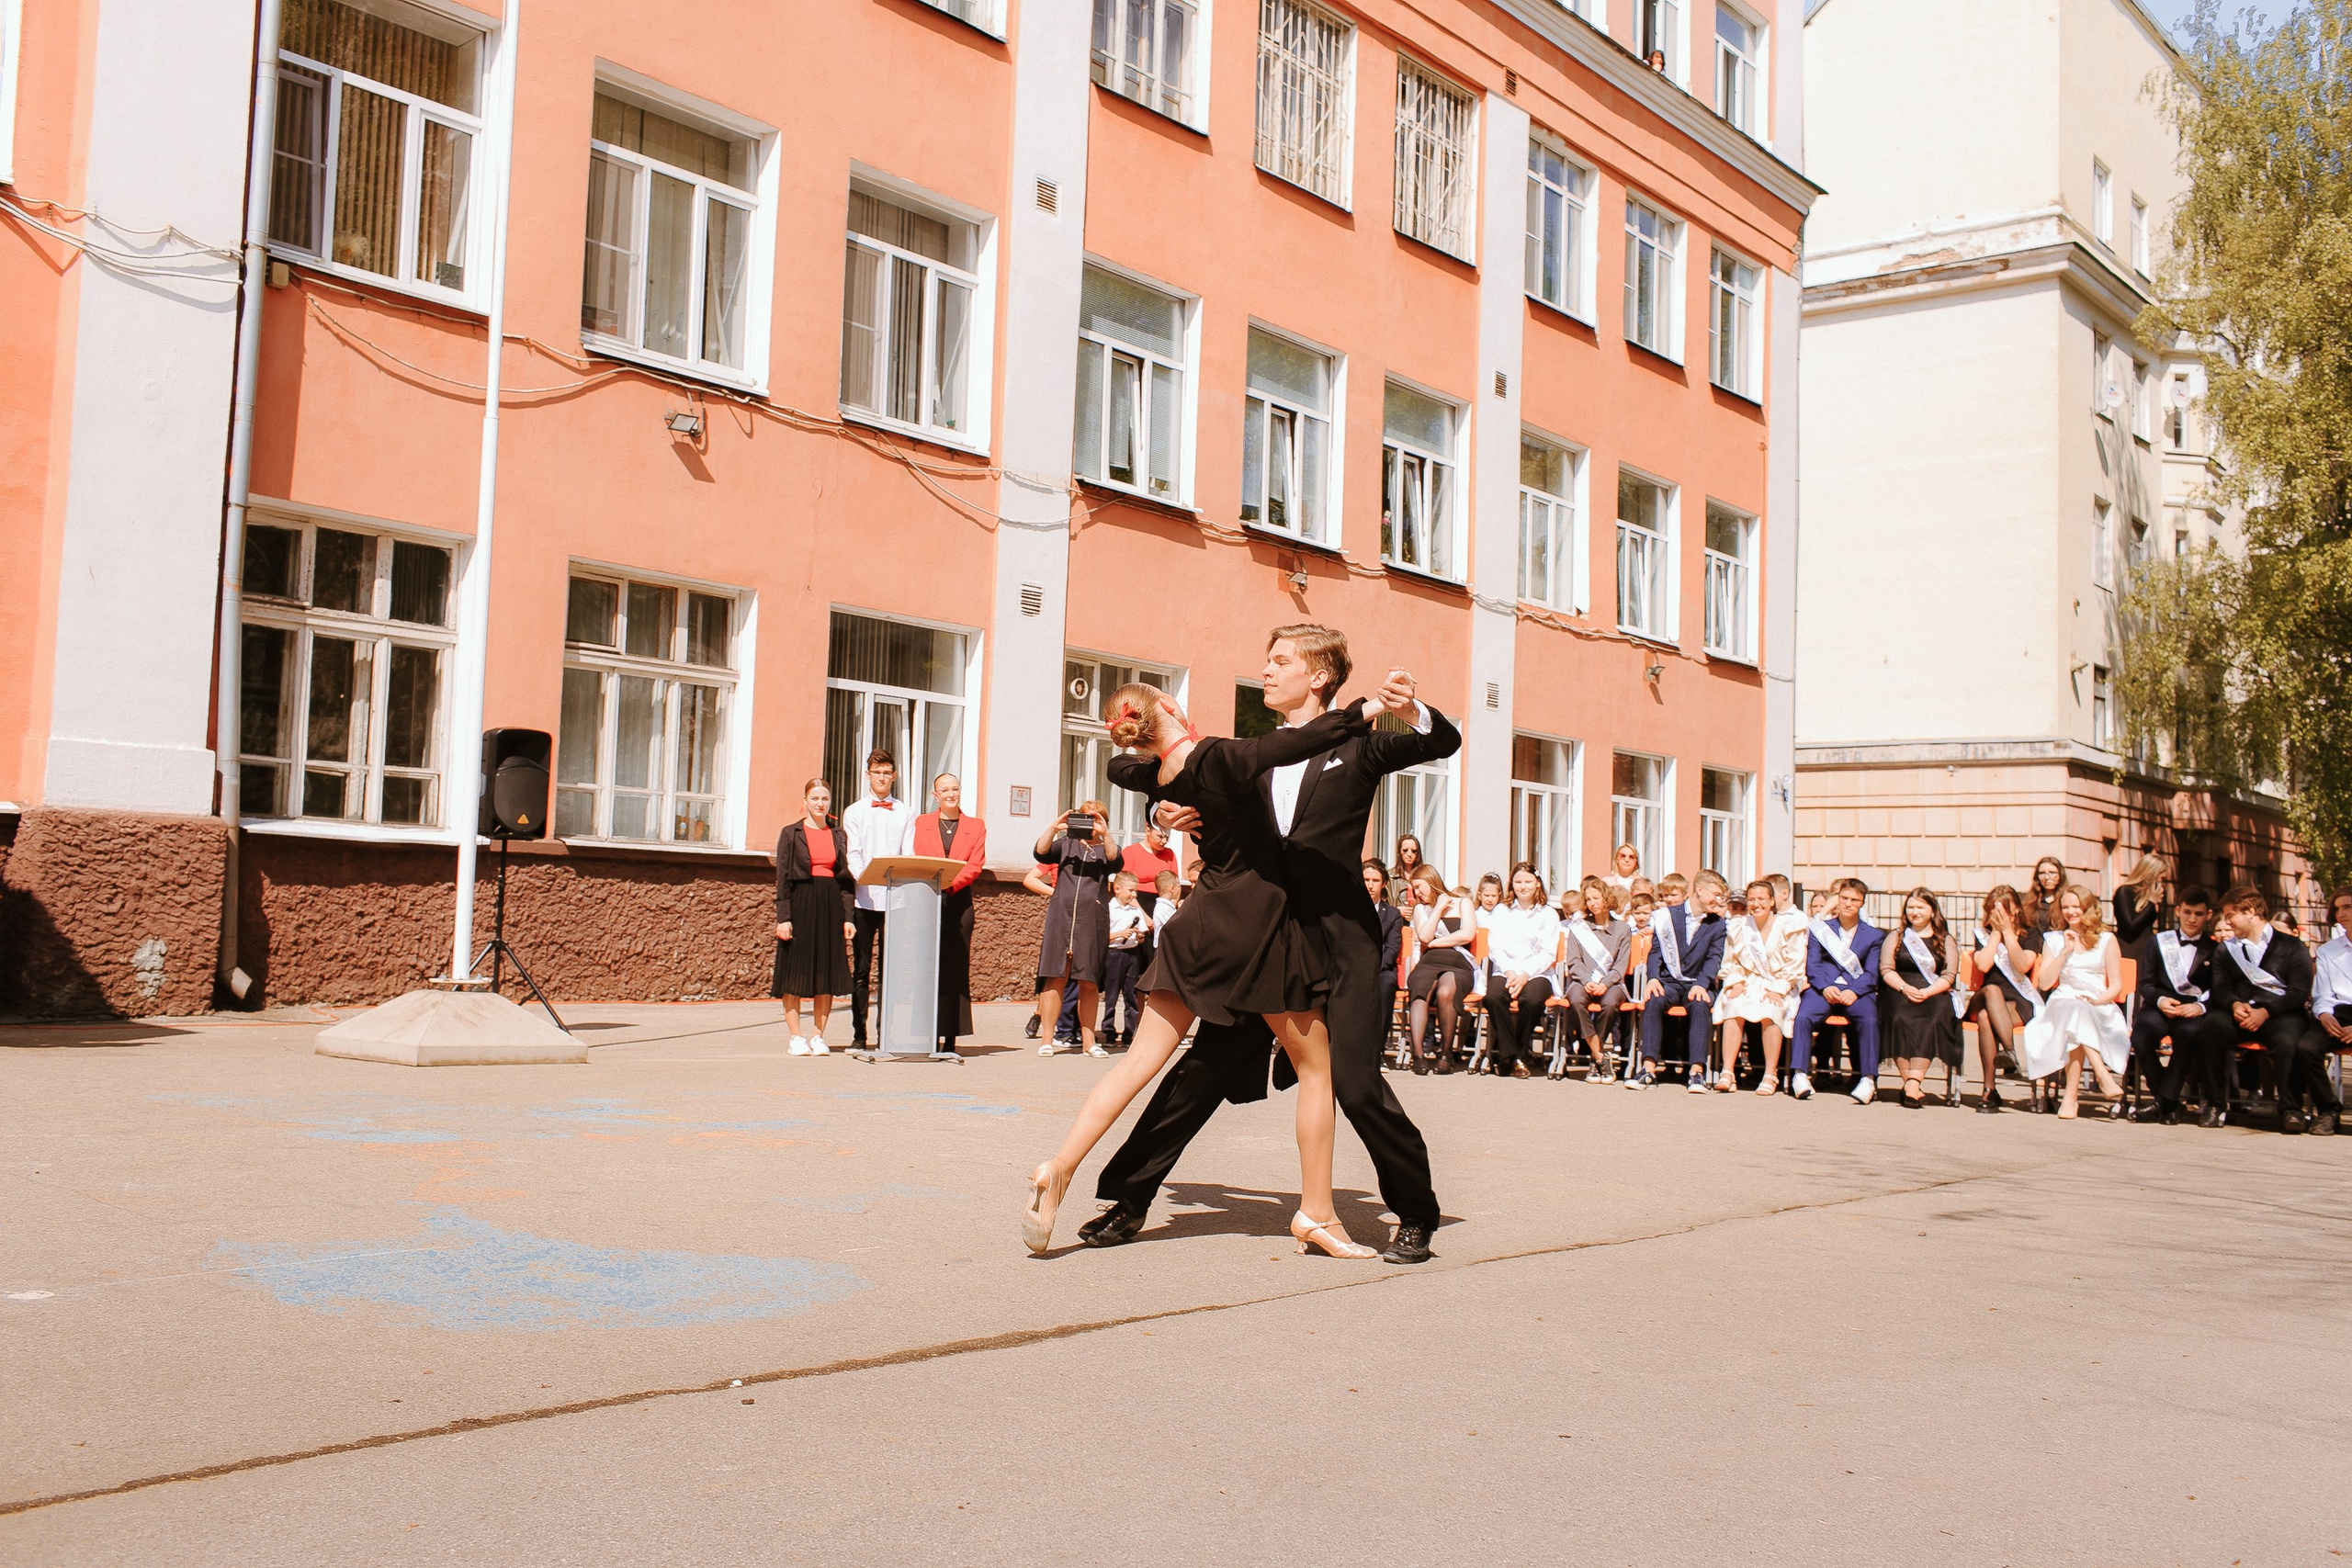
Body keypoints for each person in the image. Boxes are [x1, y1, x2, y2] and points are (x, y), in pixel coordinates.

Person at [1082, 629, 1458, 1265]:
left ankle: (1416, 1209)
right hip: (1265, 942)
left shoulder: (1357, 748)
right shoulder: (1250, 748)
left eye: (1281, 660)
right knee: (1203, 1069)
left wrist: (1410, 708)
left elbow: (1439, 740)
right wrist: (1162, 811)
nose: (1266, 669)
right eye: (1268, 658)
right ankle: (1129, 1197)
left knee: (1355, 1083)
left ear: (1318, 677)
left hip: (1340, 941)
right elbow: (1132, 764)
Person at [1021, 682, 1393, 1255]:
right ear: (1168, 708)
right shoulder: (1216, 754)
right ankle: (1319, 1215)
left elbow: (1123, 767)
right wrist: (1367, 710)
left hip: (1196, 926)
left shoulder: (1164, 773)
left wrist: (1165, 801)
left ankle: (1060, 1166)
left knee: (1136, 1064)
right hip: (1255, 926)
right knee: (1317, 1070)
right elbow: (1300, 744)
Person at [2212, 884, 2339, 1135]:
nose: (2227, 923)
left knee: (2288, 1040)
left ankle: (2290, 1109)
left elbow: (2299, 991)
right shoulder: (2226, 949)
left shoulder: (2292, 946)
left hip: (2281, 1013)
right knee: (2210, 1028)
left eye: (2230, 916)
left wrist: (2267, 1011)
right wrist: (2234, 1004)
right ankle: (2215, 1104)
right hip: (2241, 1013)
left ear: (2249, 911)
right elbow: (2220, 987)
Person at [2018, 884, 2130, 1119]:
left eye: (2076, 906)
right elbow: (2045, 983)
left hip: (2098, 1003)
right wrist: (2065, 951)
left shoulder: (2107, 939)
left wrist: (2099, 1000)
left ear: (2088, 908)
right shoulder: (2054, 939)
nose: (2070, 912)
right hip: (2063, 1003)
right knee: (2073, 1008)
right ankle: (2101, 1074)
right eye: (2066, 907)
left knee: (2079, 1013)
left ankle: (2071, 1097)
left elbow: (2117, 985)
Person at [2131, 885, 2228, 1126]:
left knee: (2190, 1036)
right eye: (2187, 912)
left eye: (2198, 914)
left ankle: (2163, 1105)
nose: (2192, 919)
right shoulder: (2159, 942)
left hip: (2193, 1011)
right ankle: (2167, 1101)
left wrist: (2201, 1008)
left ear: (2208, 915)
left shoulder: (2215, 949)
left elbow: (2219, 989)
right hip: (2160, 1007)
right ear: (2177, 912)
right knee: (2141, 1037)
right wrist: (2161, 1001)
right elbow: (2146, 983)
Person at [772, 779, 854, 1057]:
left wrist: (848, 917)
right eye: (815, 798)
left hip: (830, 904)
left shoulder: (838, 834)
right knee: (795, 971)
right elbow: (782, 877)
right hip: (800, 903)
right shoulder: (790, 833)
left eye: (825, 799)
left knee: (825, 972)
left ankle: (818, 1036)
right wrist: (784, 917)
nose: (820, 804)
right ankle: (795, 1037)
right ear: (805, 801)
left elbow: (846, 879)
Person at [840, 750, 912, 1050]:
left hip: (895, 901)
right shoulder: (854, 811)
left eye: (887, 772)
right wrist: (867, 877)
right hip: (863, 899)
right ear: (868, 775)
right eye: (877, 772)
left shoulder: (907, 812)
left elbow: (907, 853)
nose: (882, 777)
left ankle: (887, 1035)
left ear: (894, 776)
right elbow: (853, 854)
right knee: (861, 970)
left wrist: (896, 880)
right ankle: (860, 1035)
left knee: (890, 972)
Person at [1032, 799, 1115, 1057]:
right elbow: (1040, 852)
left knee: (1088, 980)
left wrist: (1105, 834)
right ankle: (1047, 1039)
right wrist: (1055, 827)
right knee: (1055, 976)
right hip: (1061, 916)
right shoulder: (1065, 845)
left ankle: (1089, 1042)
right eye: (1085, 817)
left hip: (1092, 918)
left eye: (1095, 818)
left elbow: (1115, 860)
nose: (1089, 822)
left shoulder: (1105, 850)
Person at [910, 772, 985, 1056]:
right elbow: (919, 854)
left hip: (958, 900)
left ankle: (951, 1037)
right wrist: (935, 884)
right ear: (935, 795)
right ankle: (926, 1033)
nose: (951, 794)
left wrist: (950, 883)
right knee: (928, 967)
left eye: (955, 788)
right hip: (928, 899)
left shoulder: (975, 826)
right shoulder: (922, 823)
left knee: (955, 970)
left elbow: (975, 864)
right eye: (945, 790)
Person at [1629, 871, 1726, 1091]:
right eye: (1717, 894)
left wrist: (1703, 983)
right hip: (1670, 981)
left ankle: (1697, 1072)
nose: (1719, 901)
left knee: (1701, 1004)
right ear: (1700, 890)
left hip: (1697, 982)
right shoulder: (1667, 916)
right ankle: (1648, 1069)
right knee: (1653, 1000)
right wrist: (1653, 979)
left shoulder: (1717, 924)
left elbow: (1714, 958)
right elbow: (1655, 952)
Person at [1792, 877, 1885, 1102]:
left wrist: (1854, 990)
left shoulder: (1874, 935)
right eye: (1844, 898)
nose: (1848, 903)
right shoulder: (1821, 930)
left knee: (1870, 1020)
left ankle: (1868, 1079)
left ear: (1862, 903)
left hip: (1856, 992)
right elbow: (1812, 965)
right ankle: (1800, 1075)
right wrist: (1825, 988)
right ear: (1838, 899)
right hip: (1825, 989)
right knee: (1803, 1016)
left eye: (1855, 899)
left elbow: (1872, 973)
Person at [1715, 876, 1804, 1096]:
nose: (1757, 904)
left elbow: (1795, 963)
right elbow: (1730, 961)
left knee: (1770, 1009)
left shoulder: (1788, 926)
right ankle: (1728, 1072)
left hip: (1777, 982)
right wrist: (1735, 982)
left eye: (1762, 899)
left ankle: (1770, 1074)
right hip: (1747, 980)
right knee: (1733, 1005)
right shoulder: (1740, 926)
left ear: (1772, 901)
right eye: (1752, 899)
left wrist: (1779, 988)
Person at [1881, 887, 1962, 1109]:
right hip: (1900, 990)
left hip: (1934, 992)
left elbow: (1949, 974)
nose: (1914, 912)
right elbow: (1887, 969)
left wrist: (1928, 991)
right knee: (1898, 1018)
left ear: (1932, 910)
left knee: (1931, 1020)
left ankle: (1911, 1083)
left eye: (1920, 907)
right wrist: (1905, 988)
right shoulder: (1896, 936)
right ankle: (1913, 1086)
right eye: (1911, 907)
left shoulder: (1945, 939)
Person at [1966, 886, 2041, 1113]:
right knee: (1991, 992)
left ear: (2015, 910)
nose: (1997, 917)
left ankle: (1989, 1090)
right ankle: (2010, 1052)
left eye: (2002, 911)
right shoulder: (1983, 935)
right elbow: (1983, 964)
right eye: (1992, 911)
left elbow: (2023, 965)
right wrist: (1996, 933)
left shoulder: (2031, 934)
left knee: (1987, 1018)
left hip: (2017, 1000)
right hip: (1985, 994)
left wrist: (2008, 933)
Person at [1482, 863, 1560, 1079]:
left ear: (1537, 884)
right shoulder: (1501, 910)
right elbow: (1495, 946)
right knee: (1493, 997)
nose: (1523, 886)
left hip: (1537, 973)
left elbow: (1548, 953)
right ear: (1511, 885)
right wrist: (1509, 972)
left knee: (1532, 1000)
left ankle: (1513, 1053)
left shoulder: (1548, 914)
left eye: (1527, 881)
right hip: (1506, 970)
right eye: (1518, 882)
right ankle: (1514, 1056)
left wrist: (1525, 974)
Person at [1406, 865, 1478, 1073]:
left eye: (1419, 887)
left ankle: (1446, 1055)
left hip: (1458, 961)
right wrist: (1437, 908)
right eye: (1414, 889)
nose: (1417, 893)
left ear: (1431, 881)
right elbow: (1425, 936)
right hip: (1429, 961)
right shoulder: (1421, 909)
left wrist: (1437, 943)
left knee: (1447, 992)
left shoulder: (1463, 902)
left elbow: (1467, 935)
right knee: (1420, 991)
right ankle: (1418, 1056)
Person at [1561, 877, 1634, 1083]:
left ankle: (1595, 1058)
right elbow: (1573, 961)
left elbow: (1621, 966)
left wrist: (1605, 983)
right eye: (1588, 899)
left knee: (1611, 1003)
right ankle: (1600, 1057)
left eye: (1596, 897)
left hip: (1612, 983)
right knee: (1575, 999)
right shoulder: (1579, 928)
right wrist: (1586, 981)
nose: (1592, 902)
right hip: (1582, 981)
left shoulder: (1623, 930)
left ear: (1606, 898)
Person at [1362, 861, 1408, 1069]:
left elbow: (1392, 948)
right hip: (1352, 967)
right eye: (1366, 880)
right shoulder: (1349, 910)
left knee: (1387, 982)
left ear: (1383, 884)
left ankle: (1376, 1052)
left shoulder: (1392, 915)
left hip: (1380, 968)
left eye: (1375, 880)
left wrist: (1374, 969)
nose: (1370, 885)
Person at [1102, 872, 1150, 1047]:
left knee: (1131, 995)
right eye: (1131, 890)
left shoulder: (1135, 910)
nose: (1134, 895)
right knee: (1111, 996)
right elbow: (1101, 937)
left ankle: (1129, 1033)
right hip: (1114, 955)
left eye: (1135, 891)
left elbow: (1142, 936)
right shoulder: (1108, 909)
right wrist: (1119, 934)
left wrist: (1139, 936)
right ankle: (1108, 1031)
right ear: (1117, 889)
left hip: (1132, 955)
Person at [1122, 821, 1182, 915]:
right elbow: (1124, 887)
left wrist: (1170, 909)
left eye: (1167, 837)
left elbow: (1176, 885)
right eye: (1160, 837)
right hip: (1136, 904)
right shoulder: (1130, 852)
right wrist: (1144, 917)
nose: (1164, 841)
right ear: (1148, 830)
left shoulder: (1169, 854)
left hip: (1163, 904)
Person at [2020, 855, 2069, 936]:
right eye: (2042, 873)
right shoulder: (2028, 901)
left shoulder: (2066, 900)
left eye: (2052, 873)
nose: (2046, 877)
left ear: (2060, 875)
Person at [1390, 835, 1425, 908]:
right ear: (1400, 852)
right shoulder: (1389, 877)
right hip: (1396, 919)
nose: (1409, 854)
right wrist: (1396, 912)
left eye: (1414, 851)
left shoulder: (1425, 876)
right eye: (1405, 850)